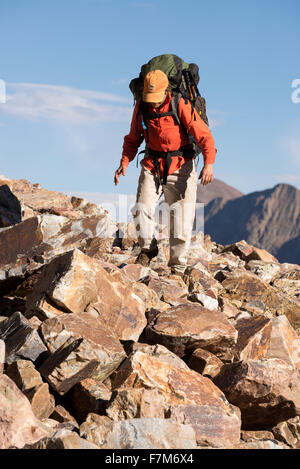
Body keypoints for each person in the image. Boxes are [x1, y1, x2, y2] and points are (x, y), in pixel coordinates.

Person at [114, 69, 217, 275]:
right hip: (152, 164)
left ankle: (177, 267)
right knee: (141, 208)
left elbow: (204, 135)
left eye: (155, 98)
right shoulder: (142, 107)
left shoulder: (179, 103)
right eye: (148, 98)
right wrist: (124, 162)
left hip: (181, 164)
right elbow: (134, 137)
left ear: (165, 91)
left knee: (181, 220)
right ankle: (147, 249)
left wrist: (209, 163)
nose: (152, 102)